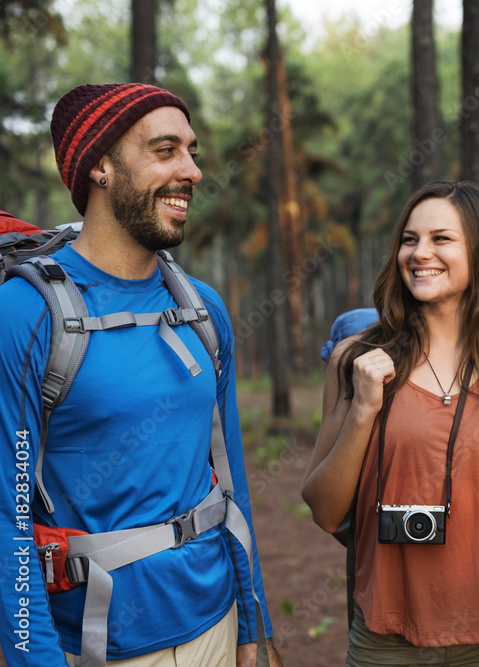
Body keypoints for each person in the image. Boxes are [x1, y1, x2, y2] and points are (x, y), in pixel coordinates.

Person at [0, 83, 281, 665]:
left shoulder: (202, 307)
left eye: (192, 151)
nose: (193, 171)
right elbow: (7, 519)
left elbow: (230, 478)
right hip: (102, 644)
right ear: (100, 166)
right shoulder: (25, 316)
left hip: (217, 625)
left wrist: (252, 620)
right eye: (165, 150)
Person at [301, 180, 479, 666]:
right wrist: (363, 411)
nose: (420, 253)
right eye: (409, 240)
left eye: (441, 239)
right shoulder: (358, 360)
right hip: (387, 638)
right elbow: (325, 511)